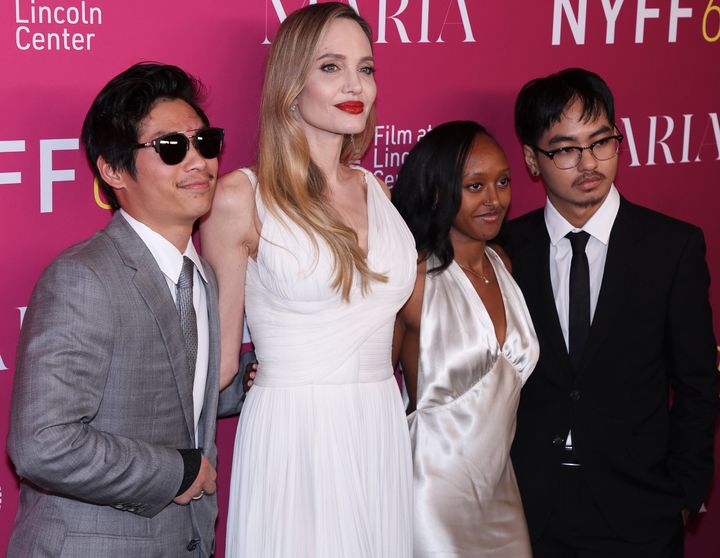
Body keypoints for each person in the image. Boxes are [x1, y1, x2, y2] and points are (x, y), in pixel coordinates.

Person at [200, 3, 415, 557]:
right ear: (291, 84)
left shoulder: (379, 192)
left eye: (366, 68)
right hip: (296, 436)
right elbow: (219, 362)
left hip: (379, 424)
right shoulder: (240, 198)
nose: (355, 85)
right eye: (330, 67)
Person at [7, 62, 226, 557]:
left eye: (206, 142)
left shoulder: (202, 274)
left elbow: (174, 392)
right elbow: (43, 444)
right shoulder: (84, 277)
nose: (198, 161)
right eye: (172, 147)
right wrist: (177, 471)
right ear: (111, 170)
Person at [504, 67, 719, 558]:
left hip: (640, 511)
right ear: (533, 161)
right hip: (531, 512)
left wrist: (686, 491)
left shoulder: (672, 247)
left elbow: (697, 382)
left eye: (602, 142)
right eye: (565, 149)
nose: (588, 163)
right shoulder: (507, 250)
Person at [392, 121, 539, 557]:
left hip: (500, 494)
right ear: (438, 193)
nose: (494, 199)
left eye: (503, 182)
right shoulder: (413, 278)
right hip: (430, 497)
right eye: (475, 186)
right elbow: (370, 380)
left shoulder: (504, 265)